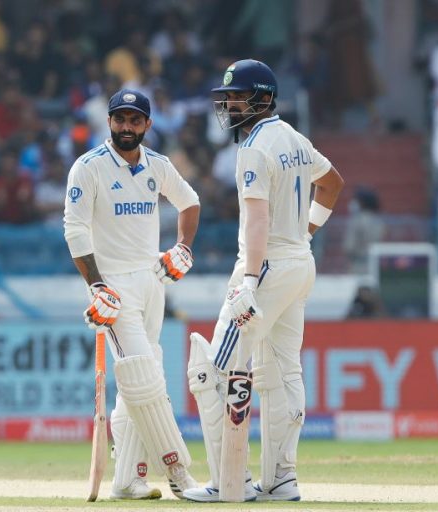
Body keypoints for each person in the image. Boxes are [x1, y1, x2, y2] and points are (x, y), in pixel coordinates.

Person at [184, 59, 344, 503]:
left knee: (215, 372)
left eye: (239, 96)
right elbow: (331, 185)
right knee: (280, 371)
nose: (231, 104)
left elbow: (257, 220)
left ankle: (228, 481)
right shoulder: (293, 137)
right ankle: (280, 479)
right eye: (229, 97)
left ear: (264, 98)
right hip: (298, 265)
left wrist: (250, 280)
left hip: (266, 267)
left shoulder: (254, 148)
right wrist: (305, 233)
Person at [63, 88, 201, 500]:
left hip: (152, 281)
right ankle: (179, 471)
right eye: (120, 120)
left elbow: (189, 202)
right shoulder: (88, 168)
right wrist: (97, 285)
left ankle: (125, 481)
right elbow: (74, 229)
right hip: (115, 287)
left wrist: (182, 247)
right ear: (108, 122)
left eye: (135, 120)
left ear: (147, 125)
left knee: (138, 382)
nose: (127, 127)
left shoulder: (158, 165)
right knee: (144, 374)